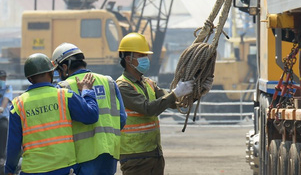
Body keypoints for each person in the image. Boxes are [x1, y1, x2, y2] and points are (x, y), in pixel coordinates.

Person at [5, 53, 99, 175]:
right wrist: (87, 91)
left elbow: (13, 146)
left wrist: (9, 170)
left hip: (33, 170)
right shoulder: (65, 96)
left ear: (29, 79)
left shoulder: (18, 104)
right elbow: (91, 115)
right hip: (64, 168)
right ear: (51, 74)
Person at [115, 33, 195, 175]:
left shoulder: (148, 83)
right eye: (141, 56)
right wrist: (176, 93)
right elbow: (148, 108)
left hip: (154, 154)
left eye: (145, 55)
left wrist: (193, 91)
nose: (146, 59)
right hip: (135, 157)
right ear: (128, 59)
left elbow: (171, 102)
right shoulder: (122, 86)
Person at [52, 42, 127, 175]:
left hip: (82, 156)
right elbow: (122, 118)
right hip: (110, 153)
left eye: (58, 71)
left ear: (64, 67)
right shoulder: (109, 81)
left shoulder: (63, 88)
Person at [0, 70, 12, 168]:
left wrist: (1, 108)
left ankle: (2, 157)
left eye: (4, 78)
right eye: (1, 78)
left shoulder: (7, 87)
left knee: (4, 128)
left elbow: (6, 99)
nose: (3, 80)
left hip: (2, 117)